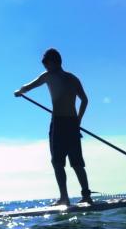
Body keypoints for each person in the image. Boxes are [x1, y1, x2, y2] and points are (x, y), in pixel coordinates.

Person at [14, 48, 92, 206]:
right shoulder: (54, 76)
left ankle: (85, 196)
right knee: (59, 162)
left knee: (74, 162)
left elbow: (84, 99)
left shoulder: (67, 78)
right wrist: (20, 91)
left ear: (55, 62)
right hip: (62, 123)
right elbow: (29, 86)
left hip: (68, 123)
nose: (46, 68)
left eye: (47, 65)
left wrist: (78, 120)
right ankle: (65, 197)